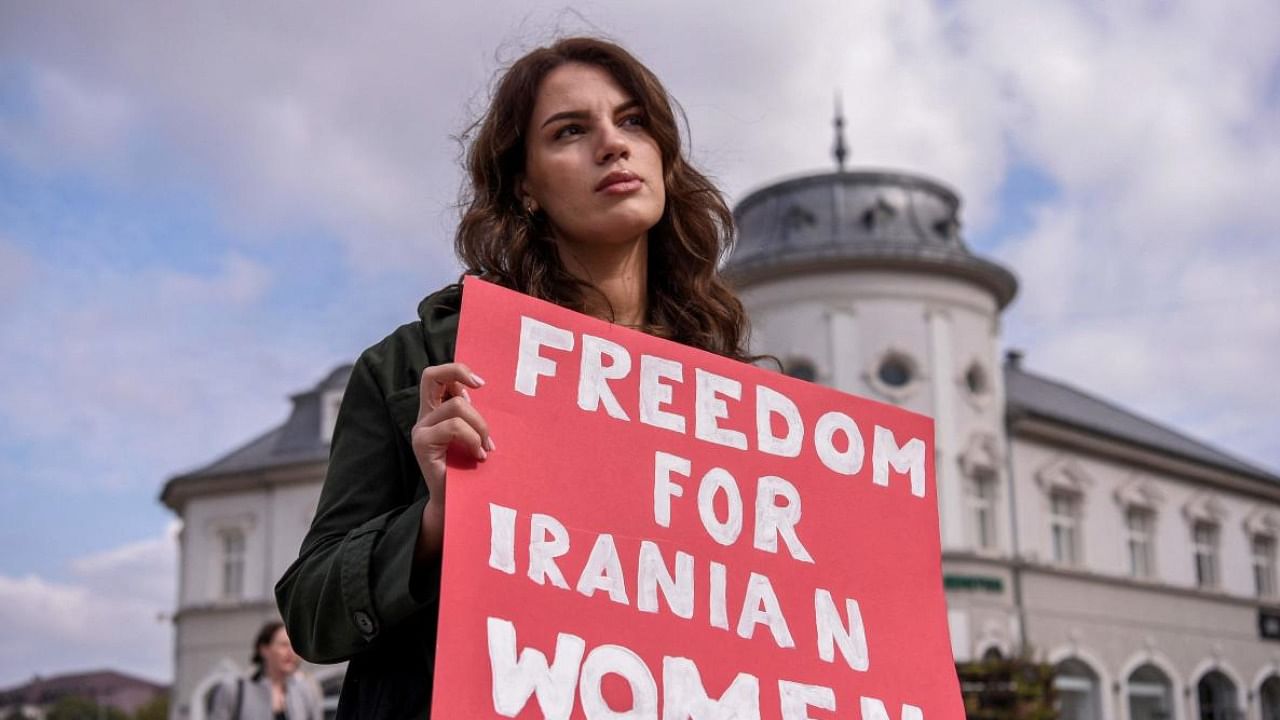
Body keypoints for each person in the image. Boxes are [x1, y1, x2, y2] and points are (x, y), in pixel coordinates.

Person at [275, 36, 753, 719]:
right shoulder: (414, 367)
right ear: (524, 187)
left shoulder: (737, 400)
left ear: (664, 160)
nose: (613, 145)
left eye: (633, 121)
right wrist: (437, 520)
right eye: (570, 131)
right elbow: (311, 613)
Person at [208, 621, 323, 720]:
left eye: (295, 646)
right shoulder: (235, 688)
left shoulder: (305, 690)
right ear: (264, 649)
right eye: (284, 645)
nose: (291, 652)